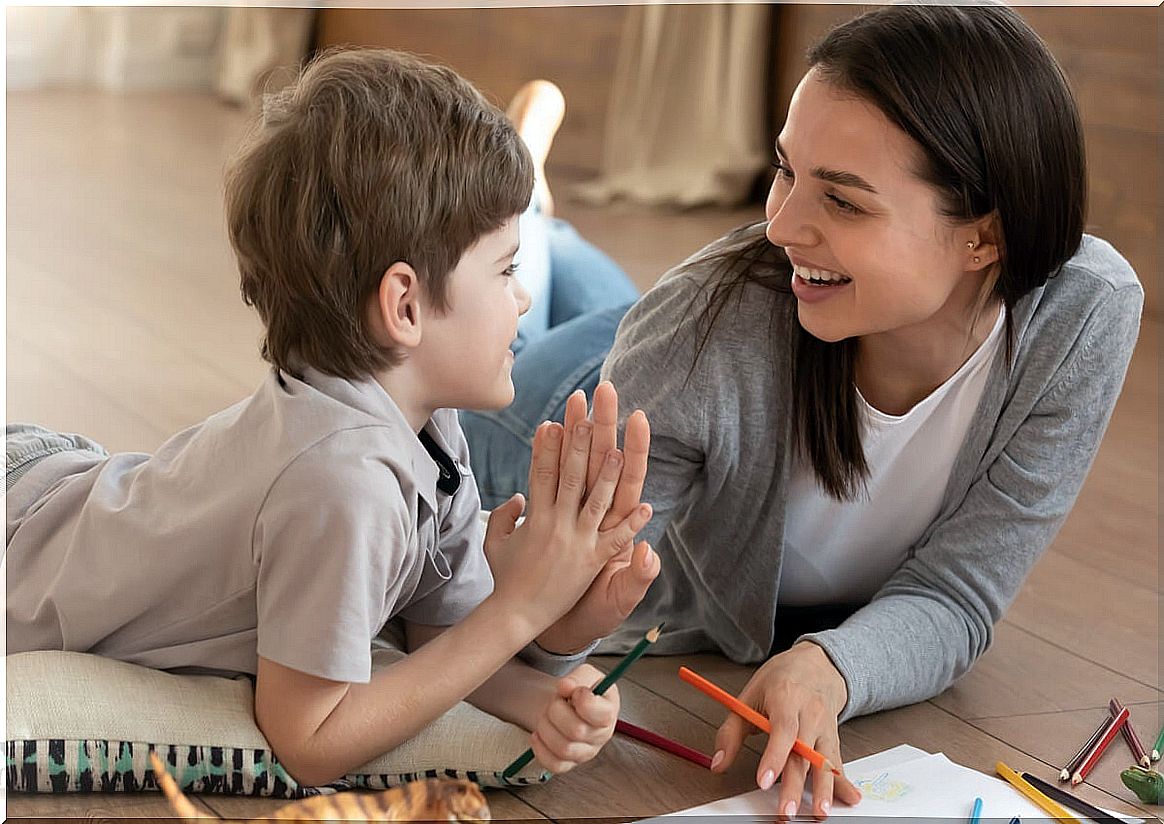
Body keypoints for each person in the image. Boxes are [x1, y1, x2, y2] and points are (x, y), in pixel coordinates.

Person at [460, 4, 1144, 817]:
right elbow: (546, 618)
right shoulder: (700, 328)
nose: (779, 224)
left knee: (607, 296)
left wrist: (829, 664)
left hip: (695, 332)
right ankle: (526, 208)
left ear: (984, 240)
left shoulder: (1081, 316)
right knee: (504, 294)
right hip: (550, 404)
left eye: (843, 201)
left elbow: (960, 597)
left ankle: (535, 196)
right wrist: (547, 612)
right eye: (785, 170)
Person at [5, 49, 659, 788]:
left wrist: (540, 686)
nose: (524, 301)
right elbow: (309, 738)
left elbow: (433, 636)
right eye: (507, 270)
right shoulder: (340, 483)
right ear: (405, 306)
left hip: (61, 487)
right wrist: (516, 612)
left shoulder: (427, 427)